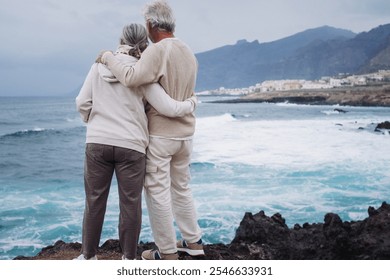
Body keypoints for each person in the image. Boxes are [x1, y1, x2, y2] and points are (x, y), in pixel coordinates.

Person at [74, 23, 196, 260]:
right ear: (144, 44)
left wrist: (95, 122)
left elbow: (82, 102)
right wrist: (191, 103)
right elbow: (161, 106)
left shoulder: (97, 67)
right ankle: (128, 259)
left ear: (121, 39)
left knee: (94, 199)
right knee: (130, 203)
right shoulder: (143, 71)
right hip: (132, 146)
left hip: (98, 143)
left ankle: (88, 257)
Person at [99, 0, 204, 260]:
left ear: (152, 24)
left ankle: (167, 253)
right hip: (186, 135)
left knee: (157, 192)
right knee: (182, 188)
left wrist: (109, 58)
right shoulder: (189, 51)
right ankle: (194, 243)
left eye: (147, 23)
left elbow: (132, 77)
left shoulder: (157, 51)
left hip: (162, 135)